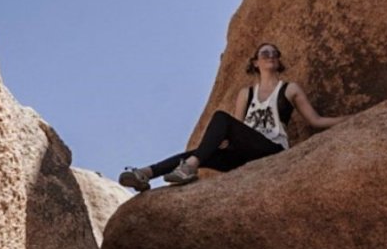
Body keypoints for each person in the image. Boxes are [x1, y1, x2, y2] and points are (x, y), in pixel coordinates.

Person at [119, 42, 347, 190]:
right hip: (243, 156)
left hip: (272, 150)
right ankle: (146, 174)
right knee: (201, 151)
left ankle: (189, 167)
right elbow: (237, 127)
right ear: (255, 63)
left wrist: (352, 119)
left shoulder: (289, 89)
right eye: (265, 53)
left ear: (278, 61)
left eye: (274, 53)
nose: (271, 56)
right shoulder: (246, 93)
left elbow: (315, 121)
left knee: (219, 120)